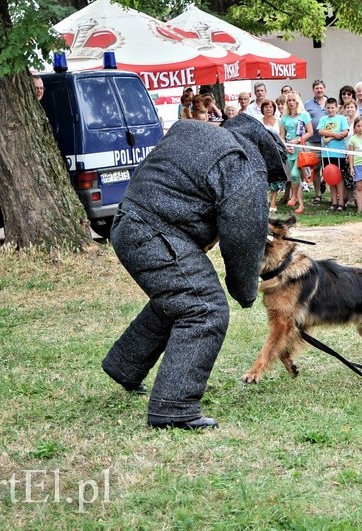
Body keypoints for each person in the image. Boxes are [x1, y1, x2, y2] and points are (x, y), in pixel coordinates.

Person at [101, 113, 287, 429]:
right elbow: (243, 235)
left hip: (127, 221)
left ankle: (126, 365)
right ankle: (174, 408)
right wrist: (244, 290)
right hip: (154, 232)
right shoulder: (245, 164)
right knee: (204, 307)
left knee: (178, 298)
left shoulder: (194, 129)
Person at [280, 92, 313, 214]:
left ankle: (293, 196)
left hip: (301, 149)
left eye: (293, 100)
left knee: (294, 174)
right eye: (289, 100)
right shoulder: (284, 118)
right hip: (290, 150)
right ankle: (301, 204)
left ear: (297, 101)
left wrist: (298, 140)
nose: (291, 102)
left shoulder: (304, 115)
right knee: (295, 177)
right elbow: (282, 136)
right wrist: (286, 146)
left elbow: (310, 132)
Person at [318, 97, 350, 211]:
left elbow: (345, 132)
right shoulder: (323, 119)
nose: (330, 110)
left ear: (336, 108)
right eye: (328, 108)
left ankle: (341, 202)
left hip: (338, 153)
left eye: (332, 108)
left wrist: (331, 137)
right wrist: (334, 135)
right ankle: (334, 201)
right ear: (325, 108)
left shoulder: (341, 118)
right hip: (326, 154)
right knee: (329, 177)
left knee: (339, 178)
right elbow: (320, 131)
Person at [305, 80, 328, 205]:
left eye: (321, 88)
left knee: (330, 167)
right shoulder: (307, 104)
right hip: (314, 141)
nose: (319, 90)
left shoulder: (331, 103)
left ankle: (328, 185)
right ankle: (318, 194)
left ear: (325, 89)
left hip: (330, 142)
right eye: (316, 88)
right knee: (316, 168)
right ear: (313, 90)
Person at [261, 100, 285, 212]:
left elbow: (282, 137)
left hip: (277, 153)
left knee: (275, 178)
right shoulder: (258, 122)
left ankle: (273, 202)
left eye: (270, 107)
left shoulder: (279, 121)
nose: (268, 109)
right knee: (264, 177)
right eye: (266, 107)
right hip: (263, 153)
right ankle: (264, 201)